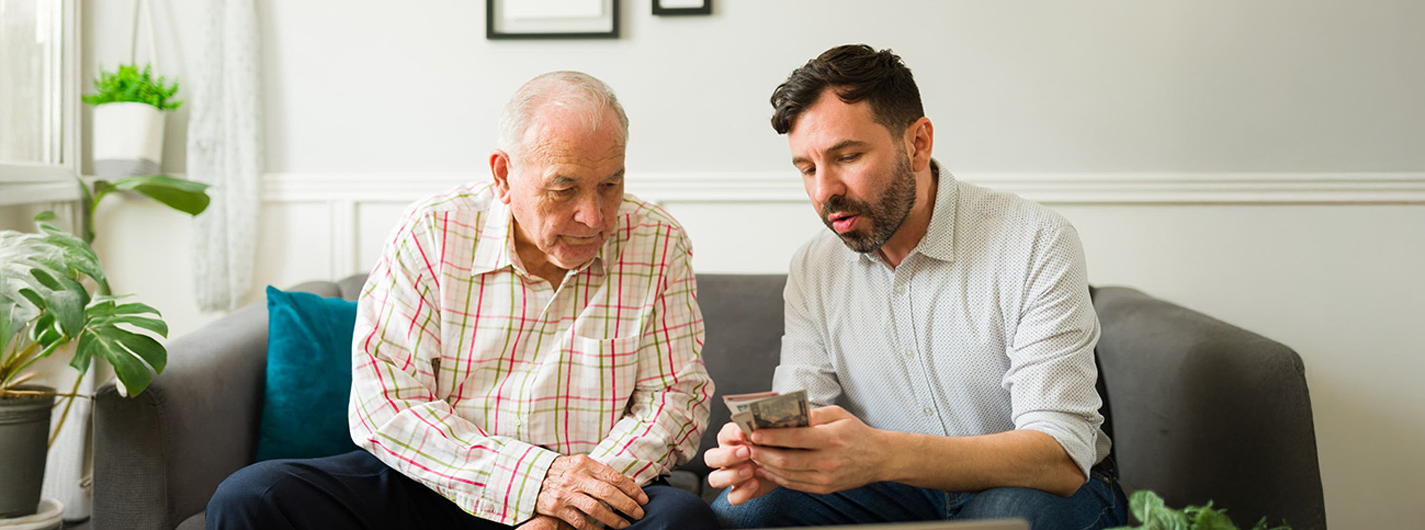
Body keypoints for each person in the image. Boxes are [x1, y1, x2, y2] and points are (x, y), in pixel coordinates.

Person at [207, 71, 719, 530]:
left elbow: (675, 403)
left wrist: (572, 506)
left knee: (684, 520)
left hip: (598, 486)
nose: (595, 216)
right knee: (253, 497)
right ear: (502, 175)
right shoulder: (432, 232)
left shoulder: (657, 241)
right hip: (443, 483)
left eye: (611, 184)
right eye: (565, 189)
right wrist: (535, 483)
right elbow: (384, 404)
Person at [703, 44, 1129, 530]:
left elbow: (1060, 455)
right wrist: (771, 456)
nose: (824, 191)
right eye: (807, 168)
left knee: (1011, 518)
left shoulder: (1034, 240)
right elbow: (807, 412)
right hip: (892, 494)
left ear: (917, 143)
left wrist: (882, 454)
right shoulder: (813, 267)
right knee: (741, 516)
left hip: (1035, 487)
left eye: (847, 156)